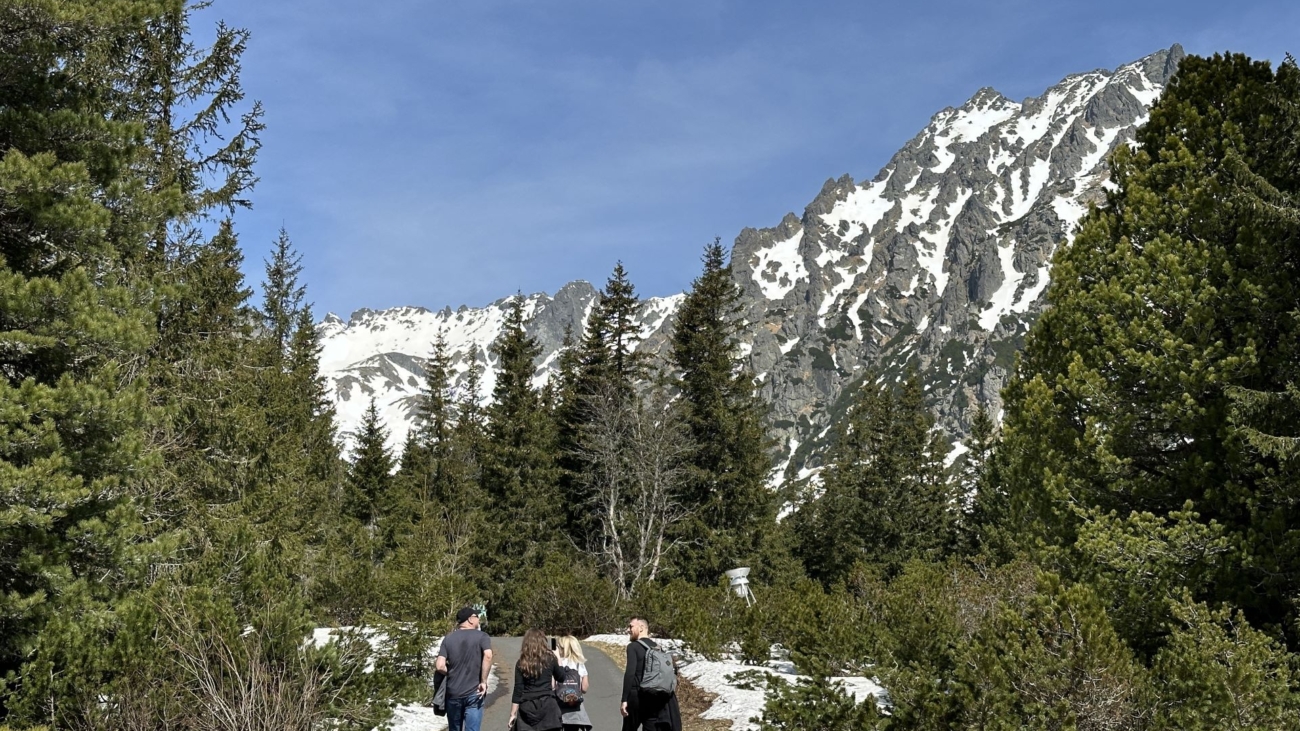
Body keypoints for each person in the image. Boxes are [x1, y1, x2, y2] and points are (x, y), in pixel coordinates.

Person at [436, 606, 493, 731]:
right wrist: (483, 681)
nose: (479, 619)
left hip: (453, 693)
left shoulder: (448, 638)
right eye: (477, 617)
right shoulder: (482, 636)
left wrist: (451, 672)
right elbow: (488, 655)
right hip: (474, 692)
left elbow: (440, 665)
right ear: (470, 619)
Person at [621, 618, 682, 731]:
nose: (628, 630)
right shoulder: (657, 648)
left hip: (637, 697)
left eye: (631, 626)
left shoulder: (633, 647)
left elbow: (630, 673)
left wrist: (624, 699)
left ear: (641, 628)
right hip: (653, 697)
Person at [509, 628, 567, 731]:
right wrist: (558, 659)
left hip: (527, 708)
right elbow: (561, 678)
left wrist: (513, 714)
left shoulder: (521, 663)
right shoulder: (550, 659)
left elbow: (518, 689)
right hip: (548, 707)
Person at [555, 635, 592, 731]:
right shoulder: (579, 663)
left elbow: (552, 686)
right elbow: (584, 688)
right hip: (575, 710)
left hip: (559, 707)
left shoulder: (556, 663)